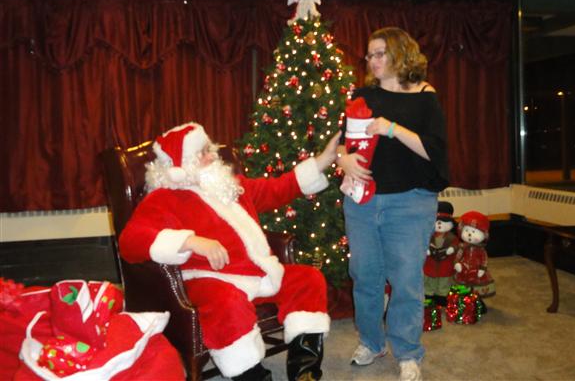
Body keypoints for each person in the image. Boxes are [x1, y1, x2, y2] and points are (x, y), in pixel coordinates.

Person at [119, 122, 340, 381]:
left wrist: (323, 161)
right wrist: (190, 242)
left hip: (257, 273)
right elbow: (130, 242)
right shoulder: (163, 198)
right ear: (180, 166)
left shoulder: (229, 186)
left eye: (209, 149)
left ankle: (305, 372)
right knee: (227, 303)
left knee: (308, 279)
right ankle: (252, 376)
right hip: (208, 279)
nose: (213, 155)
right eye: (203, 152)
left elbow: (277, 189)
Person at [336, 27, 449, 381]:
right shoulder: (362, 95)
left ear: (401, 53)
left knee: (406, 280)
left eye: (380, 53)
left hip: (410, 203)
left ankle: (408, 352)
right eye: (369, 55)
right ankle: (372, 342)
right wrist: (343, 160)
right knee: (365, 276)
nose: (372, 60)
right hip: (362, 202)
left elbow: (435, 152)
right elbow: (342, 143)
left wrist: (392, 129)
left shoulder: (425, 97)